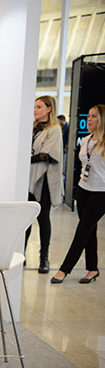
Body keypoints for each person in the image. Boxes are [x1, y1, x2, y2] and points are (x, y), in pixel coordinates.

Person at [51, 105, 105, 284]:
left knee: (82, 230)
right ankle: (93, 269)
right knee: (90, 230)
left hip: (101, 192)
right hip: (83, 189)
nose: (89, 119)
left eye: (94, 116)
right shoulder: (86, 140)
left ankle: (64, 269)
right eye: (89, 116)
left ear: (102, 119)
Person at [26, 96, 64, 274]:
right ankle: (21, 254)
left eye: (39, 107)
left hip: (44, 179)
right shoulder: (32, 128)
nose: (35, 110)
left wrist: (24, 158)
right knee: (25, 219)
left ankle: (44, 258)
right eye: (34, 106)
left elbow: (46, 155)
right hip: (27, 179)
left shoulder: (54, 129)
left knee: (43, 219)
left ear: (49, 109)